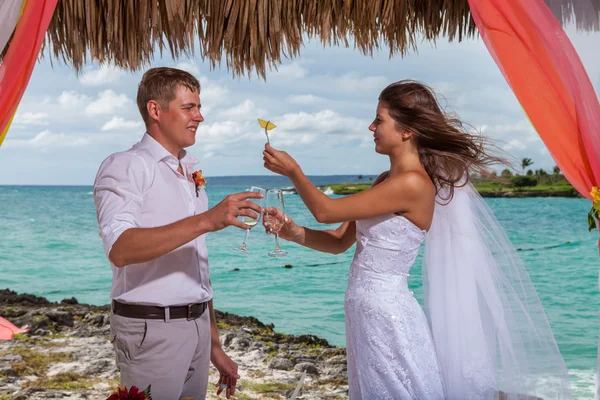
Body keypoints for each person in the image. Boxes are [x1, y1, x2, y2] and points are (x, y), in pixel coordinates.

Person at [262, 80, 572, 399]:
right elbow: (339, 240)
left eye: (379, 119)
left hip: (387, 318)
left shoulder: (413, 184)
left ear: (407, 129)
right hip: (365, 315)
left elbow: (325, 210)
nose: (371, 126)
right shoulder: (387, 181)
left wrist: (294, 172)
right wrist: (291, 231)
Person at [93, 67, 262, 400]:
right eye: (189, 108)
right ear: (155, 110)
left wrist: (214, 345)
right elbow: (120, 248)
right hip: (151, 330)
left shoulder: (190, 169)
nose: (200, 116)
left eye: (198, 107)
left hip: (196, 325)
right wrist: (207, 220)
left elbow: (196, 265)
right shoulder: (126, 166)